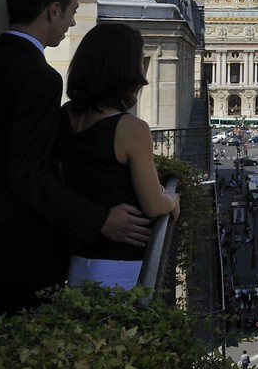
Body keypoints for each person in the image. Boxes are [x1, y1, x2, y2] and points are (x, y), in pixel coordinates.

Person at [0, 0, 152, 316]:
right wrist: (99, 218)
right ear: (52, 10)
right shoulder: (39, 77)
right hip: (22, 249)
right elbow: (27, 173)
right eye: (71, 11)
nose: (72, 22)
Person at [55, 22, 181, 291]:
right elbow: (153, 205)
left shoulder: (65, 116)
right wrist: (173, 198)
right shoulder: (131, 129)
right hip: (123, 265)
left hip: (79, 259)